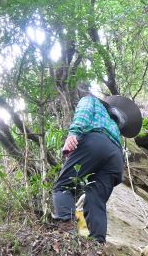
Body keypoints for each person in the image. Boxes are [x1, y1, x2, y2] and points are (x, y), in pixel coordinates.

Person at [51, 87, 126, 244]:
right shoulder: (113, 123)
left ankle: (67, 229)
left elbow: (83, 114)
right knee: (95, 197)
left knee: (62, 187)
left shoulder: (89, 100)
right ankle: (98, 243)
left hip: (95, 143)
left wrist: (73, 134)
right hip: (116, 157)